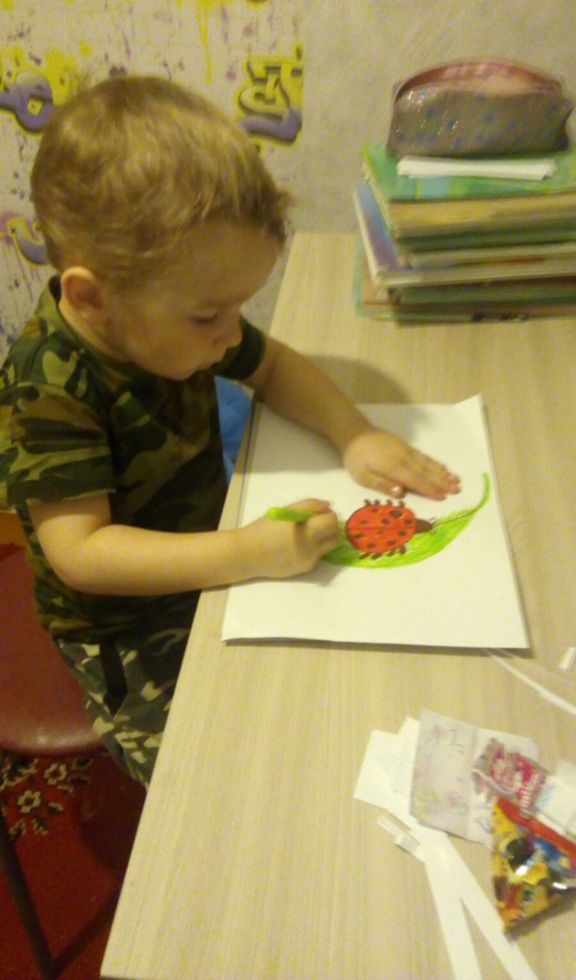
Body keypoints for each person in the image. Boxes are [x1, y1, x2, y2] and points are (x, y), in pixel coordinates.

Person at [0, 76, 460, 785]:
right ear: (92, 299)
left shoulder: (169, 318)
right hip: (124, 625)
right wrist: (247, 552)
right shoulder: (47, 385)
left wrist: (353, 432)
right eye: (209, 315)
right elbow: (83, 555)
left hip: (213, 549)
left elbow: (272, 364)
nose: (230, 335)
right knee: (213, 772)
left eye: (236, 309)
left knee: (323, 694)